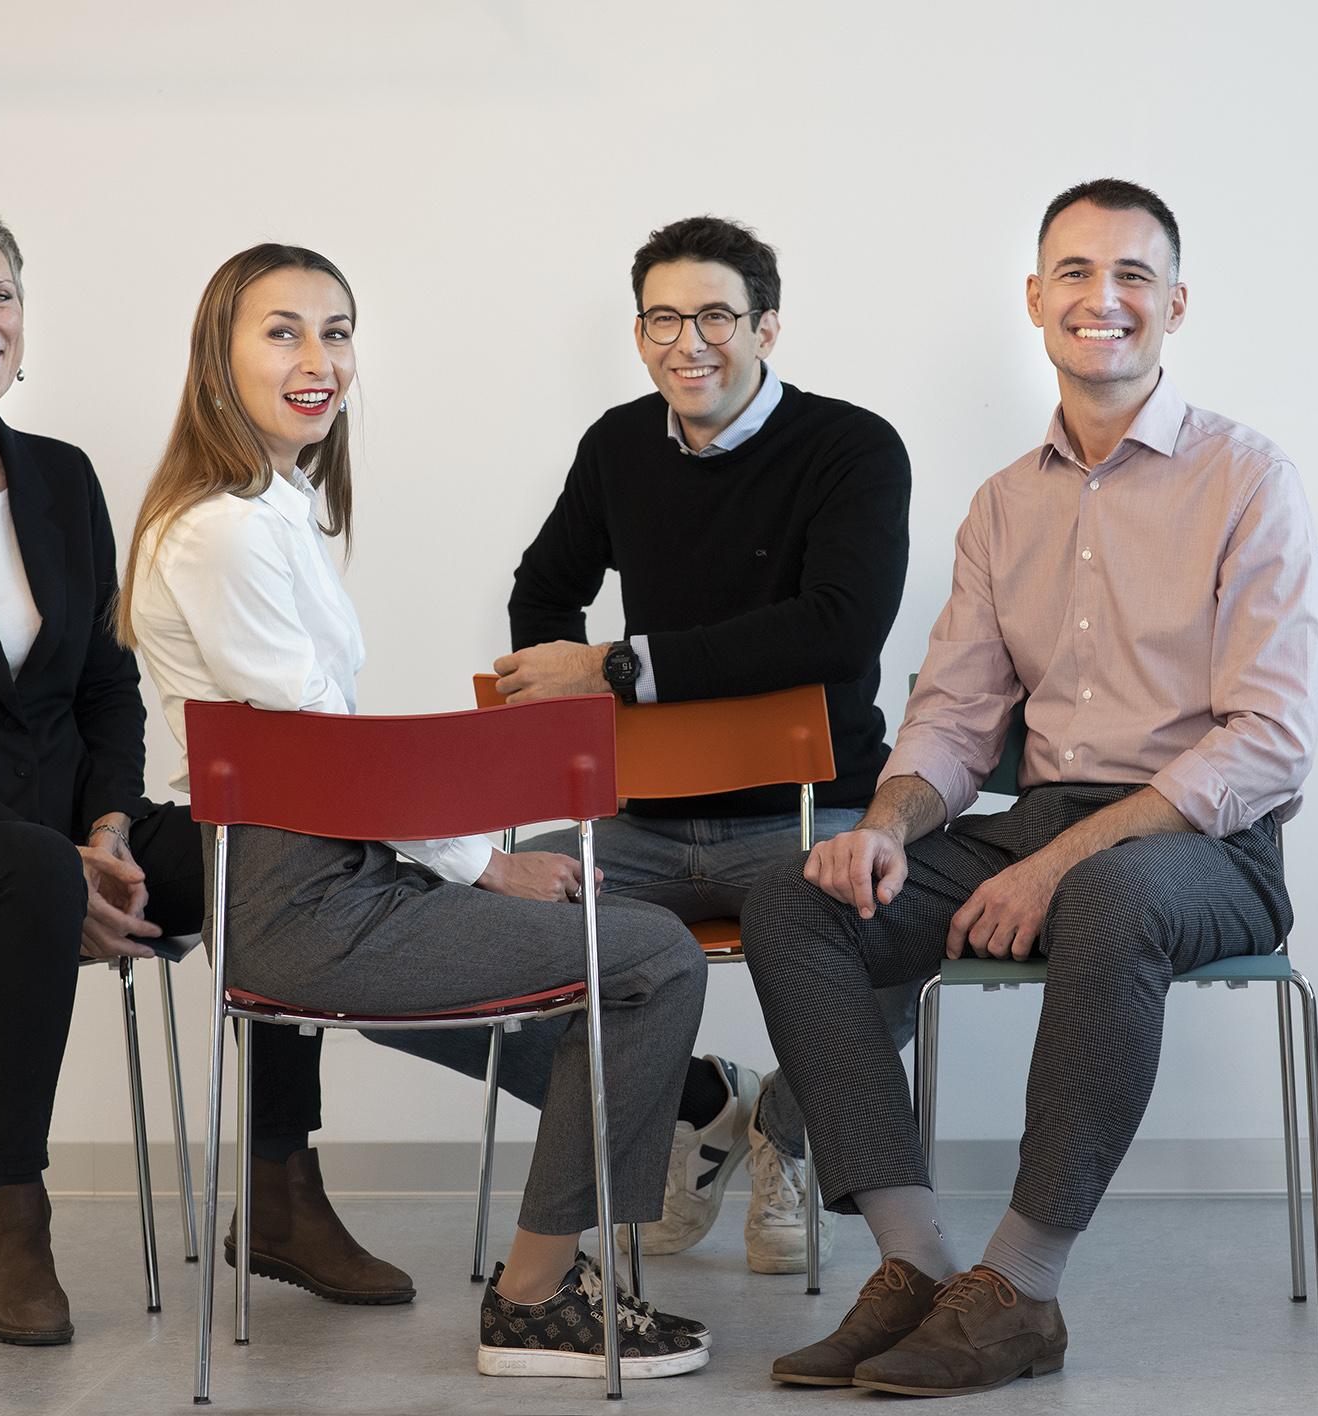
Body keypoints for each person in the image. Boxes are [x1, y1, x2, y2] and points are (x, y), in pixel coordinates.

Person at [0, 206, 409, 1348]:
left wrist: (110, 829)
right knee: (28, 870)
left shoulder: (62, 479)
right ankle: (16, 1221)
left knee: (258, 840)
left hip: (75, 830)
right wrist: (57, 864)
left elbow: (109, 688)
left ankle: (281, 1190)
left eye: (1, 296)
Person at [742, 179, 1318, 1397]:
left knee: (1110, 894)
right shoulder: (1005, 505)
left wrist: (1060, 863)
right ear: (1034, 298)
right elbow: (956, 717)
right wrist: (886, 827)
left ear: (1175, 305)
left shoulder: (1248, 479)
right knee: (797, 898)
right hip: (1040, 826)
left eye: (1131, 275)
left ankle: (1019, 1292)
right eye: (1075, 271)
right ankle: (916, 1267)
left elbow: (1271, 739)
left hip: (1208, 850)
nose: (1101, 297)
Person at [118, 242, 712, 1380]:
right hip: (298, 896)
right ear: (217, 357)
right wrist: (486, 863)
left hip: (328, 873)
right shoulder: (222, 529)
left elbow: (329, 749)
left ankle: (625, 1184)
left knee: (618, 956)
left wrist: (471, 853)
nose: (318, 360)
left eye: (336, 332)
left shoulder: (274, 508)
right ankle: (536, 1296)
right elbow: (321, 751)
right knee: (651, 957)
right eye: (282, 332)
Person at [366, 215, 913, 1275]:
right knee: (407, 944)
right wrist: (580, 720)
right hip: (642, 827)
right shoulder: (618, 446)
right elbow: (543, 595)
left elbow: (837, 627)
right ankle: (694, 1105)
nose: (687, 342)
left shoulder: (852, 448)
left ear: (767, 328)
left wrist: (617, 669)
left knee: (909, 922)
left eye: (715, 316)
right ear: (638, 333)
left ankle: (786, 1124)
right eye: (662, 318)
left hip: (810, 817)